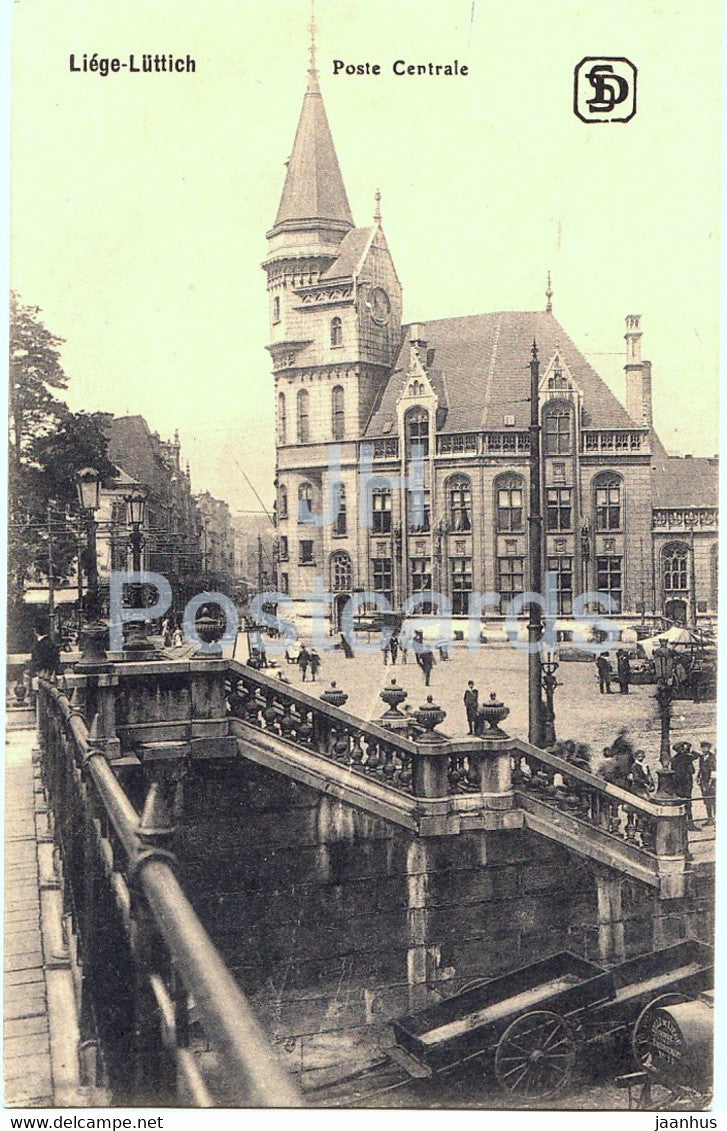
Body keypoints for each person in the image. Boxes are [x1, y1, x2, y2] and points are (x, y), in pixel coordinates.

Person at [671, 741, 699, 829]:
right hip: (685, 784)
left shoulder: (674, 758)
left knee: (681, 803)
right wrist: (690, 747)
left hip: (678, 784)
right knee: (688, 804)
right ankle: (690, 824)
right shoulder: (685, 757)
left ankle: (683, 824)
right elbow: (697, 755)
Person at [698, 741, 716, 823]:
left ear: (708, 748)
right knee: (706, 800)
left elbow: (714, 770)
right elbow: (700, 768)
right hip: (703, 781)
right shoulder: (701, 757)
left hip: (711, 781)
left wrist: (711, 781)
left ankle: (715, 818)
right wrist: (698, 776)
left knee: (712, 799)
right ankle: (709, 818)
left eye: (705, 747)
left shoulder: (712, 757)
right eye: (702, 747)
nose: (703, 749)